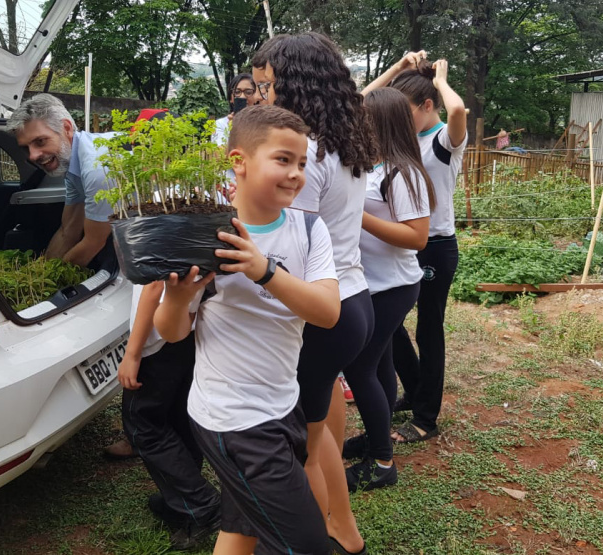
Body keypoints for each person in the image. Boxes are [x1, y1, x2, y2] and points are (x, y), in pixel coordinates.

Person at [155, 104, 340, 555]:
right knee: (308, 544)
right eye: (282, 159)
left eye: (301, 162)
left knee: (241, 528)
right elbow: (172, 331)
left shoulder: (310, 228)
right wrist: (179, 298)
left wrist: (263, 270)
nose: (296, 173)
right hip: (234, 419)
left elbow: (327, 312)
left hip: (282, 402)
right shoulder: (206, 234)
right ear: (238, 161)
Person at [252, 32, 375, 554]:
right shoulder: (343, 139)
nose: (261, 99)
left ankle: (308, 539)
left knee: (302, 446)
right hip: (355, 300)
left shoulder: (304, 159)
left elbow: (289, 247)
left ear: (295, 84)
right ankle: (343, 529)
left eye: (267, 87)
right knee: (323, 426)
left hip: (323, 310)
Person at [364, 53, 467, 444]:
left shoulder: (443, 140)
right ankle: (414, 388)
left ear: (427, 107)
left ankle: (426, 417)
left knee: (428, 329)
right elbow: (361, 104)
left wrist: (440, 79)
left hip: (435, 247)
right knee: (390, 327)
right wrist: (397, 70)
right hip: (400, 246)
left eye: (407, 112)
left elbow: (456, 108)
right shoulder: (398, 140)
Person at [342, 87, 434, 492]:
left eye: (364, 117)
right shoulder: (369, 166)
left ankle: (381, 461)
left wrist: (356, 215)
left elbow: (417, 237)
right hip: (369, 284)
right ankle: (376, 436)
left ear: (382, 122)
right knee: (378, 365)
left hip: (394, 286)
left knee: (359, 366)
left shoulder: (404, 172)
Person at [116, 282, 222, 550]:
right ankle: (180, 504)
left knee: (142, 426)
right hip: (188, 328)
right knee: (179, 419)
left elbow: (152, 286)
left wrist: (133, 352)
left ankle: (203, 504)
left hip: (157, 337)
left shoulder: (165, 236)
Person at [6, 93, 116, 268]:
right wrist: (40, 270)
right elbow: (68, 231)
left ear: (66, 128)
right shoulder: (74, 166)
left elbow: (93, 243)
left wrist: (45, 284)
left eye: (40, 141)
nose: (33, 155)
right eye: (26, 148)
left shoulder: (96, 168)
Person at [212, 73, 258, 146]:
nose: (242, 97)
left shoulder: (263, 124)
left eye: (248, 92)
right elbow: (218, 154)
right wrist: (233, 130)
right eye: (237, 92)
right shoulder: (220, 124)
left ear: (257, 96)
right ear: (231, 98)